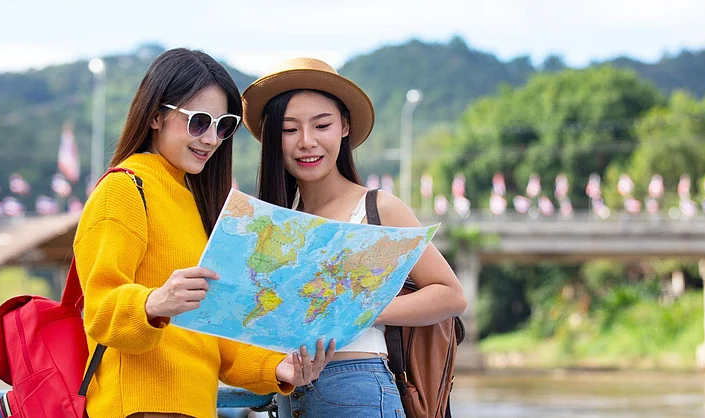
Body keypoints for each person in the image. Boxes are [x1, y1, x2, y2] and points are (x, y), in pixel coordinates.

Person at [74, 49, 335, 418]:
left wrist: (278, 369)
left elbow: (216, 340)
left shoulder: (194, 204)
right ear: (154, 116)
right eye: (198, 122)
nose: (211, 139)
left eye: (223, 125)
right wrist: (154, 302)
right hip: (139, 406)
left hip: (193, 408)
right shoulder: (126, 189)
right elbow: (100, 313)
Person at [241, 57, 468, 418]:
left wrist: (357, 309)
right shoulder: (274, 228)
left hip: (358, 385)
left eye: (322, 125)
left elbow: (451, 295)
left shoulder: (377, 208)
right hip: (290, 394)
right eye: (289, 129)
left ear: (344, 126)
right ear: (273, 138)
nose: (306, 142)